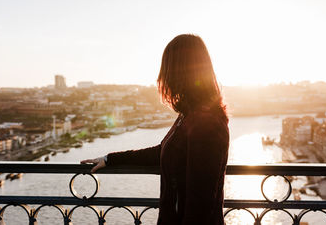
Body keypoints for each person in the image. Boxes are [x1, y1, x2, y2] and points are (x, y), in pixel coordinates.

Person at [81, 34, 229, 225]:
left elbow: (200, 203)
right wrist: (110, 159)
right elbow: (163, 152)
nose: (163, 77)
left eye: (167, 68)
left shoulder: (205, 123)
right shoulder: (191, 116)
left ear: (179, 72)